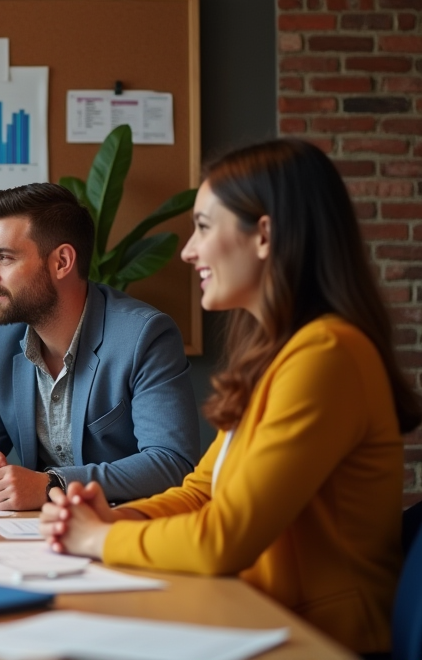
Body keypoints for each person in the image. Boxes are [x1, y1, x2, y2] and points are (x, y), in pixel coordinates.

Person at [38, 140, 419, 655]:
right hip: (255, 616)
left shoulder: (326, 356)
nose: (189, 249)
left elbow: (225, 537)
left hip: (316, 642)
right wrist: (112, 517)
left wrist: (96, 539)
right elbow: (202, 492)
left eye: (204, 226)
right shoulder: (281, 357)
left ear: (263, 235)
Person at [0, 182, 199, 510]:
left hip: (126, 530)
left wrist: (52, 485)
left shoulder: (144, 336)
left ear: (62, 261)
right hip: (37, 535)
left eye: (4, 258)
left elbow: (171, 462)